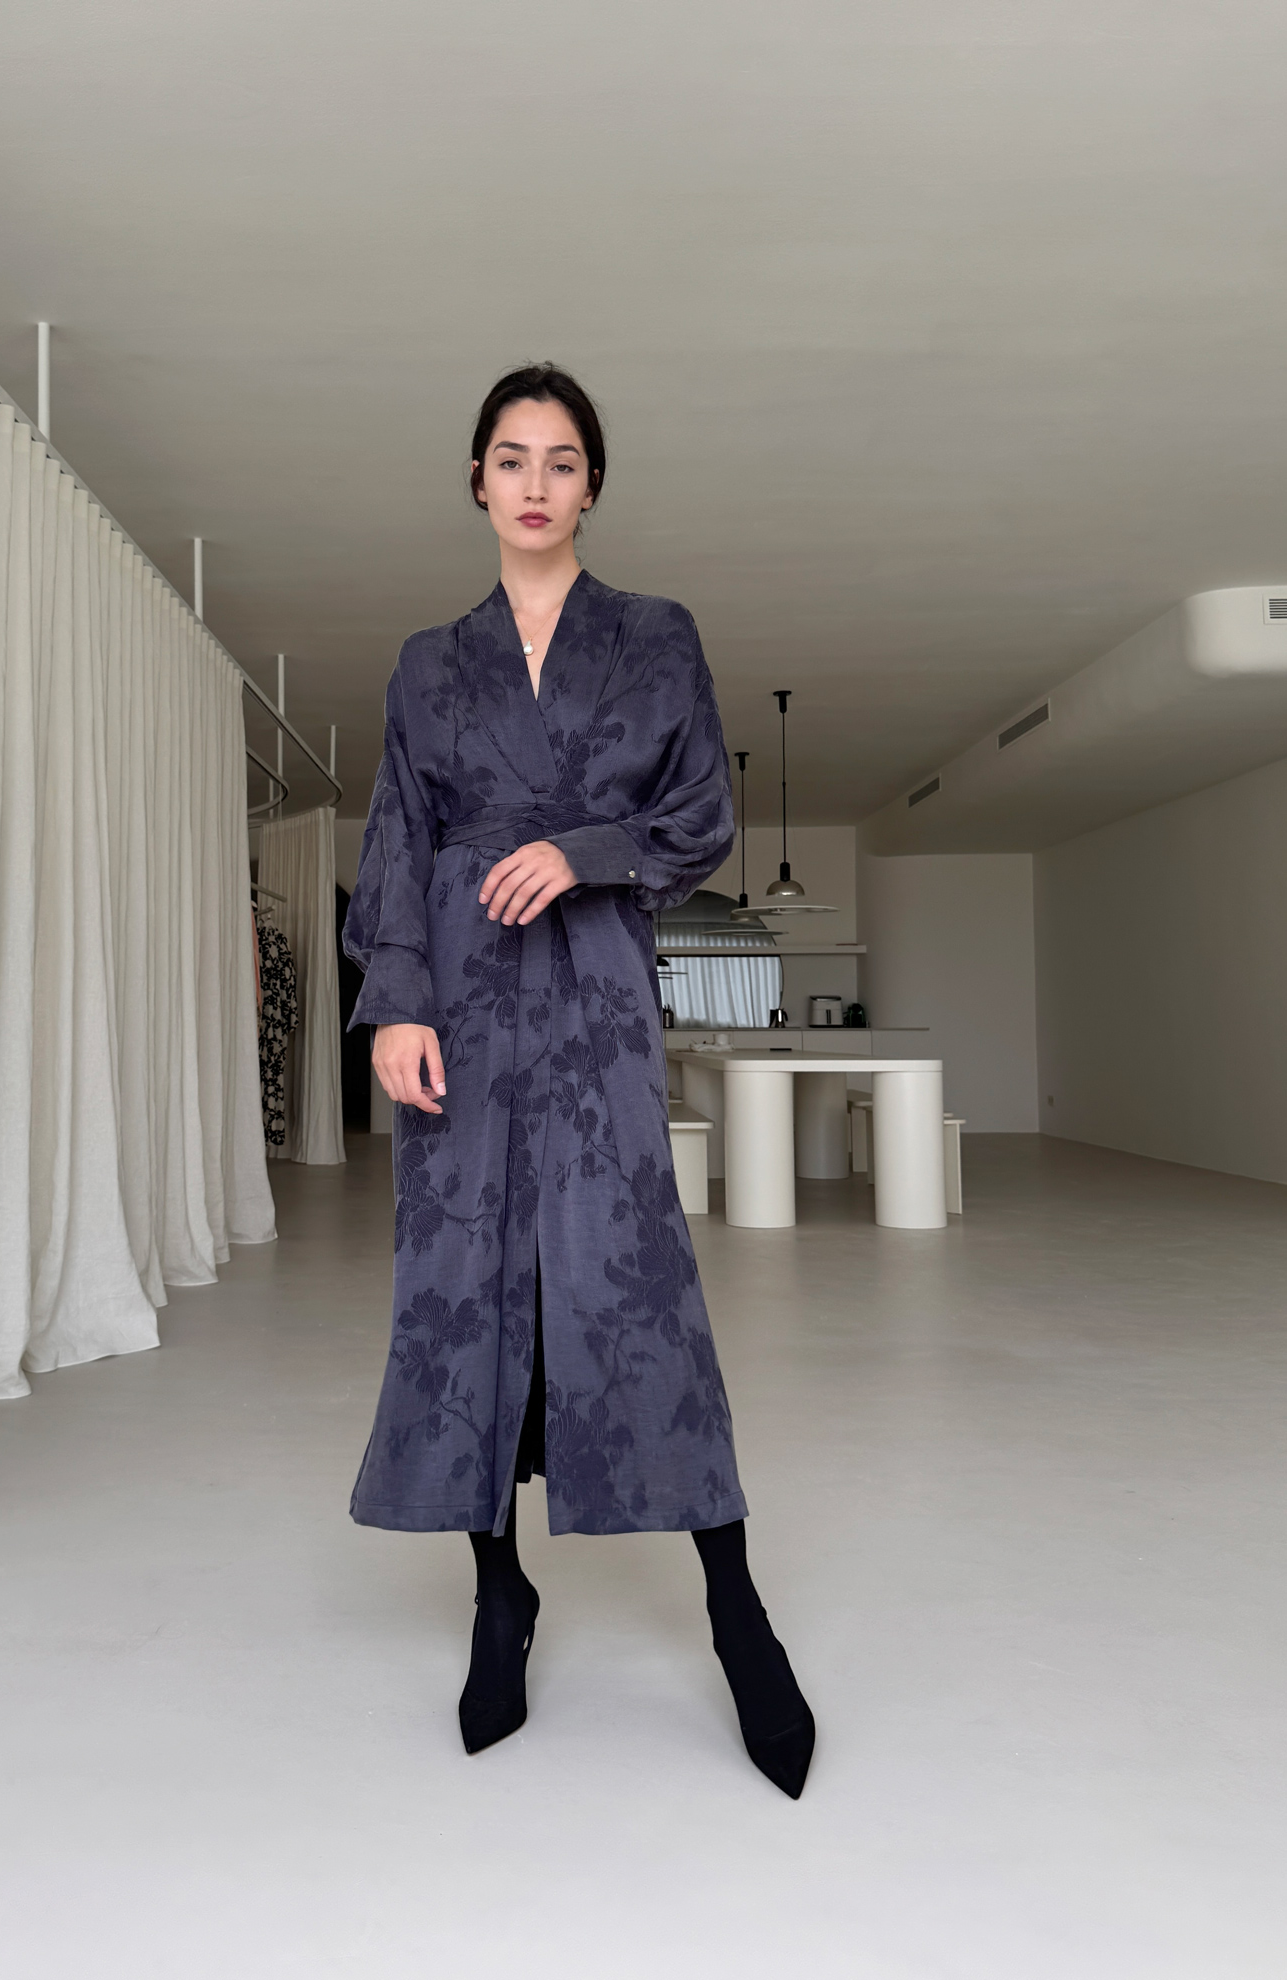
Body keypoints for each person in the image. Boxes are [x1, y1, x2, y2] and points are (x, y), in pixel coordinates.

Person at [342, 364, 815, 1799]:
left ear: (589, 486)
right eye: (509, 459)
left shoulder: (654, 638)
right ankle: (501, 1593)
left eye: (560, 460)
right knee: (467, 1280)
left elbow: (700, 818)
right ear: (477, 485)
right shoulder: (429, 664)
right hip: (466, 1012)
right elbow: (393, 840)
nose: (535, 482)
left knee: (630, 1283)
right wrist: (391, 1008)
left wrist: (586, 853)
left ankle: (735, 1609)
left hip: (597, 995)